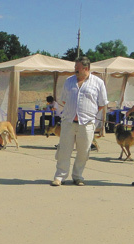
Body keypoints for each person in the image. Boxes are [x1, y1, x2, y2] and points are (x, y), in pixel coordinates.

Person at [50, 56, 108, 186]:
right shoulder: (69, 81)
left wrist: (89, 112)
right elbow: (64, 100)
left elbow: (102, 103)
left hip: (86, 123)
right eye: (75, 68)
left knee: (83, 151)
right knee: (64, 150)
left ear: (86, 68)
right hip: (68, 122)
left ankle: (78, 176)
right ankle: (60, 177)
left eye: (77, 68)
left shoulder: (98, 82)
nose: (75, 70)